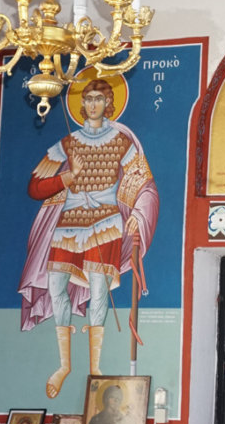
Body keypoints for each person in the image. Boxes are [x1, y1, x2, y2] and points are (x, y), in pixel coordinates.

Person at [19, 78, 159, 399]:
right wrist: (68, 176)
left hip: (105, 224)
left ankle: (95, 369)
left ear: (108, 104)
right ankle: (64, 366)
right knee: (56, 287)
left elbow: (143, 184)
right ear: (81, 105)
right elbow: (34, 187)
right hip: (69, 224)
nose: (93, 104)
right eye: (88, 98)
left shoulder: (120, 143)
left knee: (98, 291)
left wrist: (138, 214)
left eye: (99, 98)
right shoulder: (67, 143)